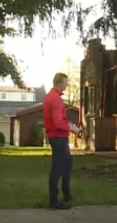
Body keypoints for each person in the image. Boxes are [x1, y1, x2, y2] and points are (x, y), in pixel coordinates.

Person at [43, 73, 80, 209]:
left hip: (57, 136)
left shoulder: (51, 97)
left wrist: (68, 125)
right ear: (59, 83)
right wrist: (72, 129)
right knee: (58, 168)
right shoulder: (55, 99)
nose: (67, 84)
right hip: (58, 137)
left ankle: (67, 194)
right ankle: (54, 201)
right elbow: (58, 123)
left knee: (67, 165)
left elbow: (58, 120)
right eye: (66, 82)